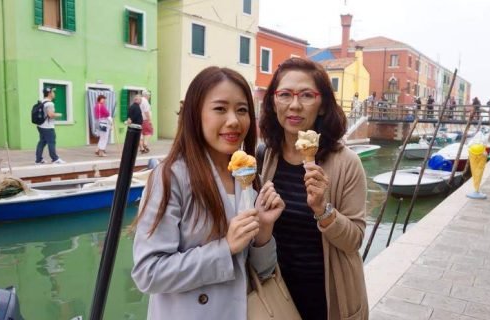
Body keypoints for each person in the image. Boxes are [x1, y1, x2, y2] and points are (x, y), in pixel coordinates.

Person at [131, 66, 285, 320]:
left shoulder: (248, 177)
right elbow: (148, 273)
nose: (234, 120)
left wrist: (264, 234)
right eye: (220, 108)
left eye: (242, 110)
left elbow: (262, 271)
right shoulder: (171, 177)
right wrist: (225, 248)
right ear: (196, 114)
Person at [258, 57, 368, 320]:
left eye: (307, 95)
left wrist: (323, 209)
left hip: (328, 297)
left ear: (321, 106)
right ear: (274, 102)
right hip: (277, 295)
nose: (294, 105)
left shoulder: (346, 163)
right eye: (285, 94)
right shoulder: (265, 156)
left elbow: (354, 240)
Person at [35, 87, 65, 164]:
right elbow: (50, 115)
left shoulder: (42, 101)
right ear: (49, 93)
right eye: (53, 92)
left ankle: (38, 160)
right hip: (48, 127)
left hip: (40, 126)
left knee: (42, 142)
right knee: (51, 142)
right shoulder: (49, 103)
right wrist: (58, 114)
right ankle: (55, 159)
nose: (54, 93)